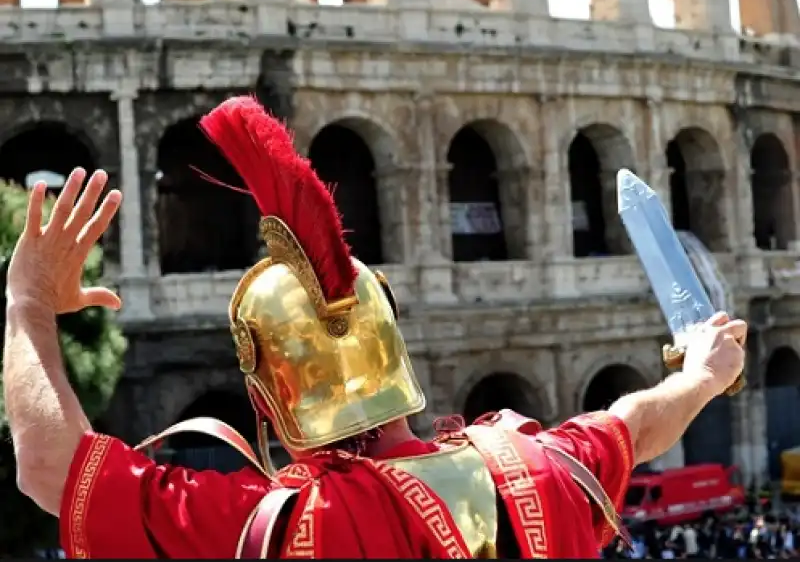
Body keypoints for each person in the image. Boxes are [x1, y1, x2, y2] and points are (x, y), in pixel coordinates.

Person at [4, 96, 748, 559]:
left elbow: (49, 468)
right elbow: (634, 424)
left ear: (269, 402)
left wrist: (29, 306)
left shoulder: (273, 527)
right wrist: (701, 377)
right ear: (392, 349)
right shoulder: (542, 465)